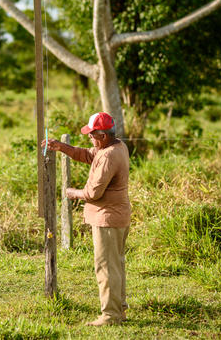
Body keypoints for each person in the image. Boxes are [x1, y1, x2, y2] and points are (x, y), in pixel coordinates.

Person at [43, 112, 131, 326]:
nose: (89, 138)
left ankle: (110, 315)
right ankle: (119, 309)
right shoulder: (115, 147)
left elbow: (93, 193)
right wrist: (62, 147)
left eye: (91, 135)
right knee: (115, 264)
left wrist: (72, 192)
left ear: (102, 135)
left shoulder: (109, 155)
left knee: (106, 267)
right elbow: (88, 154)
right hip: (116, 216)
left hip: (107, 218)